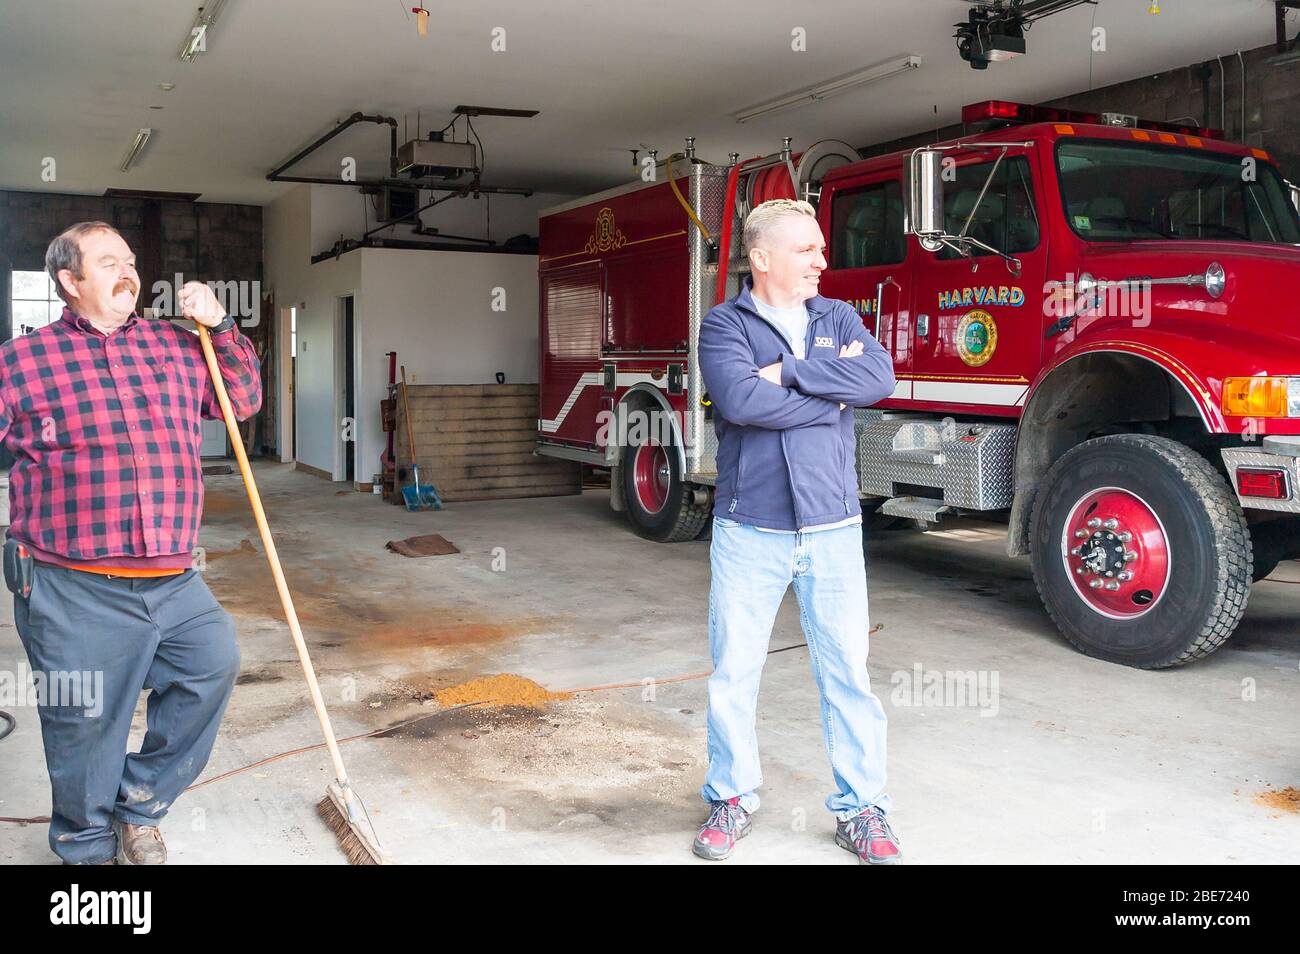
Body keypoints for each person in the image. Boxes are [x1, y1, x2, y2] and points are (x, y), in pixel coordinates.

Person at [1, 221, 261, 864]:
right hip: (69, 579)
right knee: (84, 724)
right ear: (69, 280)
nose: (128, 271)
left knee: (212, 666)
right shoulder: (20, 363)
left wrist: (222, 327)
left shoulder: (178, 346)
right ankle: (87, 854)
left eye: (131, 260)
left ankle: (138, 802)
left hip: (173, 575)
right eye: (109, 261)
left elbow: (244, 399)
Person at [694, 198, 900, 864]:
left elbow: (878, 378)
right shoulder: (724, 326)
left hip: (834, 527)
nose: (822, 260)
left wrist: (792, 374)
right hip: (750, 527)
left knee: (847, 675)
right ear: (762, 258)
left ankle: (862, 810)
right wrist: (828, 400)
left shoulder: (837, 316)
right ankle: (731, 798)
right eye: (807, 249)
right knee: (734, 672)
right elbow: (740, 401)